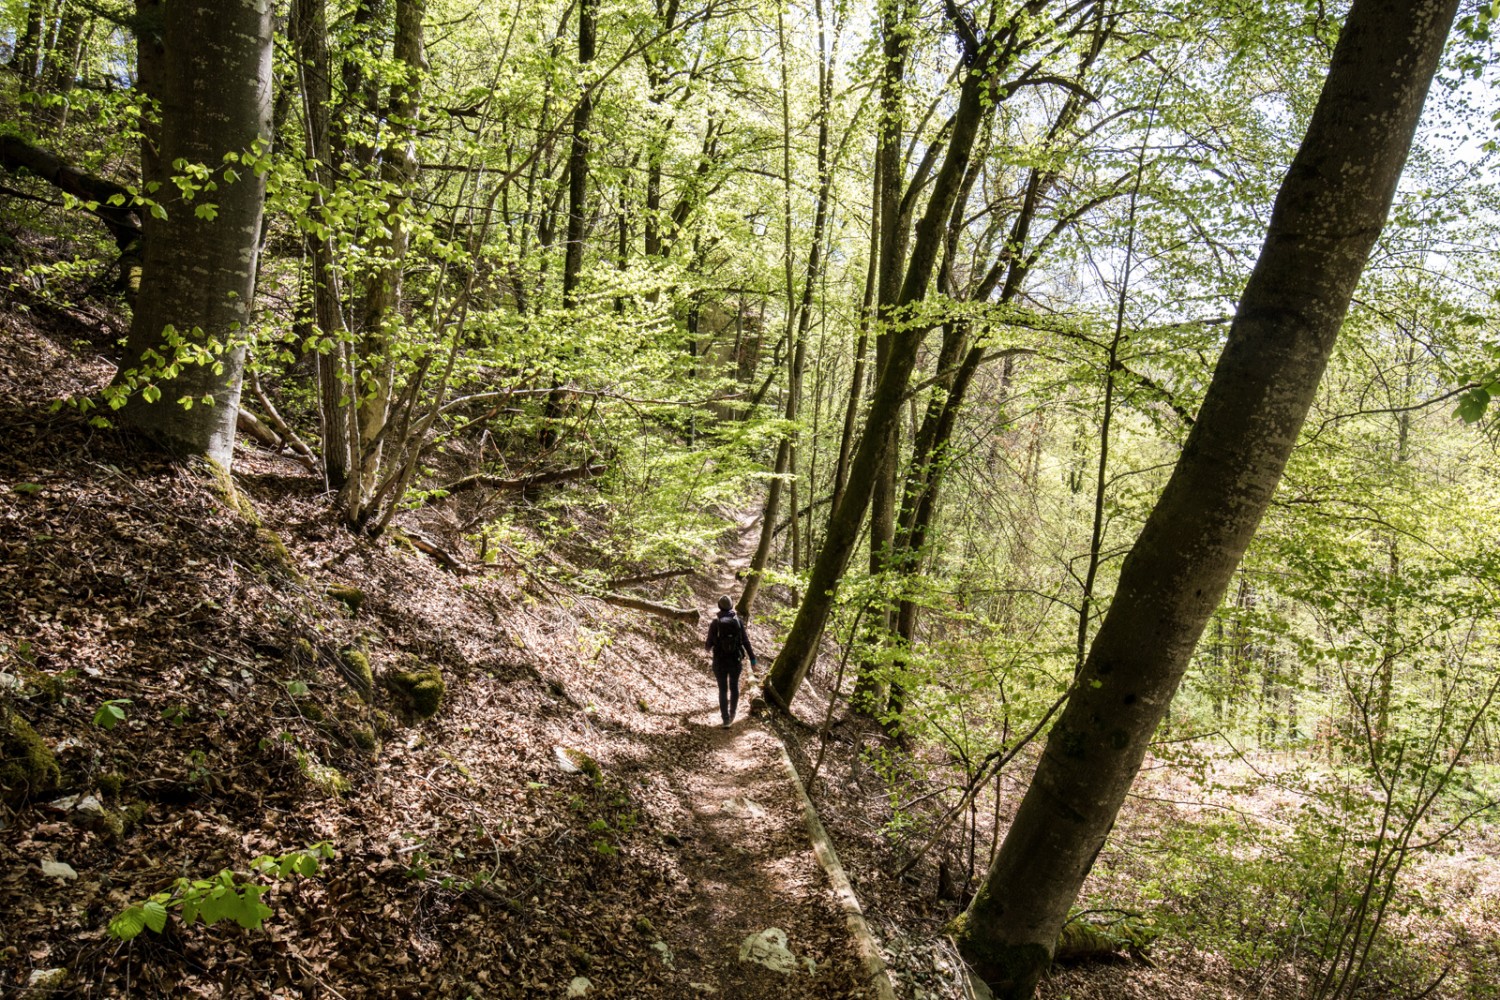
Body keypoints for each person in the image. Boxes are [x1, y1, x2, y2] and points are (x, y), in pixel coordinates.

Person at [705, 595, 756, 727]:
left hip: (719, 661)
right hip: (735, 660)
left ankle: (725, 719)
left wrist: (709, 648)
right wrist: (753, 659)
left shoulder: (715, 622)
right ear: (732, 606)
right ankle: (732, 714)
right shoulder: (738, 621)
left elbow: (708, 644)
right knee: (734, 687)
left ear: (719, 606)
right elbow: (745, 641)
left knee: (722, 689)